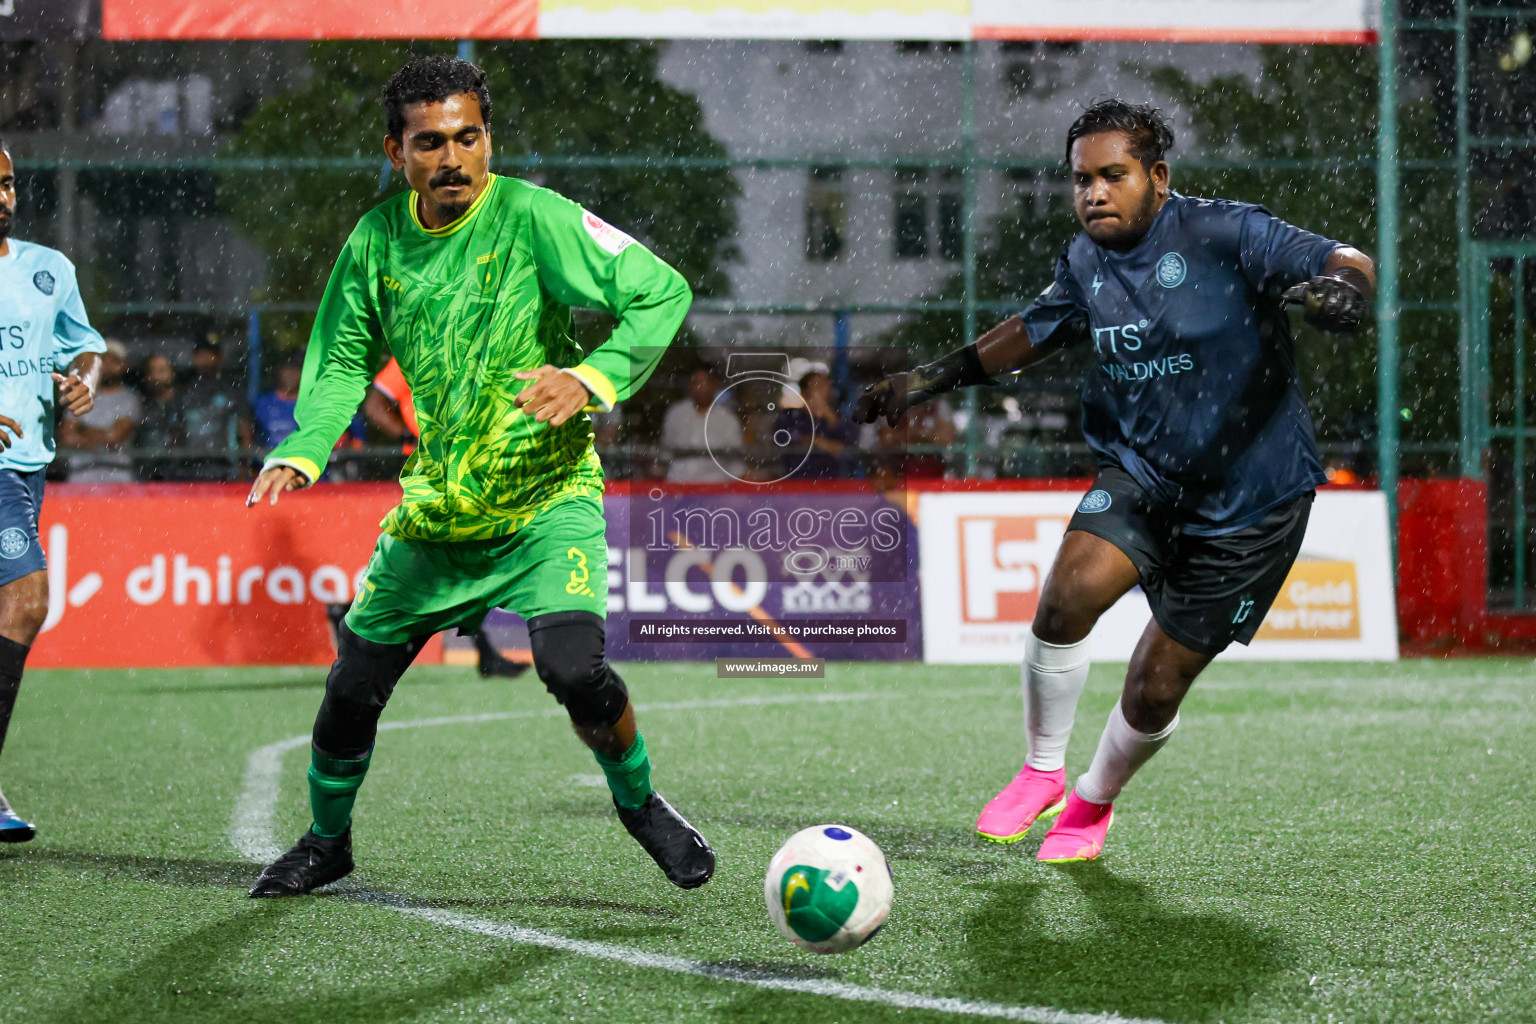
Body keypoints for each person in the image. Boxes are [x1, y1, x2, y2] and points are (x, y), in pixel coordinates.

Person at [855, 99, 1374, 863]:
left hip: (1251, 507)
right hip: (1144, 473)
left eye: (1111, 176)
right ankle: (1040, 772)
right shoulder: (1085, 260)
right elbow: (1032, 331)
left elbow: (1348, 259)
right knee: (1066, 596)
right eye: (1080, 180)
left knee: (1154, 687)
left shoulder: (1226, 231)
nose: (1093, 193)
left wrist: (1344, 293)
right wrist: (925, 380)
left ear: (1156, 177)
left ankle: (1092, 801)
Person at [243, 56, 709, 896]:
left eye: (469, 137)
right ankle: (326, 841)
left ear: (488, 138)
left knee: (574, 671)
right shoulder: (375, 241)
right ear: (397, 153)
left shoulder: (535, 217)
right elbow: (344, 360)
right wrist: (304, 447)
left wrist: (593, 377)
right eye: (430, 143)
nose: (453, 158)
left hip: (546, 502)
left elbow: (660, 292)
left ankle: (640, 804)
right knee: (351, 686)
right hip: (437, 517)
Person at [0, 137, 105, 841]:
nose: (3, 197)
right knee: (27, 600)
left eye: (7, 183)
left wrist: (83, 384)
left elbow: (85, 345)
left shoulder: (48, 269)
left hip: (33, 463)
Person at [58, 339, 140, 483]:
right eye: (102, 361)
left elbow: (115, 437)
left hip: (119, 475)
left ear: (124, 365)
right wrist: (104, 436)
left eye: (113, 361)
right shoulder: (80, 395)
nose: (107, 366)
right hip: (80, 475)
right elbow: (66, 437)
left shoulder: (129, 400)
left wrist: (82, 430)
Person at [175, 337, 253, 481]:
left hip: (225, 466)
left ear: (219, 357)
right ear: (194, 358)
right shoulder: (185, 391)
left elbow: (245, 431)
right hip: (190, 467)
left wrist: (243, 469)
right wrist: (175, 465)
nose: (204, 359)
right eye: (200, 355)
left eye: (209, 355)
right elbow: (177, 432)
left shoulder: (233, 389)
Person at [660, 365, 743, 482]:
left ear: (715, 385)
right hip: (679, 482)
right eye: (696, 383)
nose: (701, 388)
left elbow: (735, 460)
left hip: (716, 484)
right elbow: (666, 450)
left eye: (706, 383)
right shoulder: (675, 414)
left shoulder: (728, 419)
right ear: (689, 385)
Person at [773, 370, 856, 478]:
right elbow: (781, 440)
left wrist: (829, 416)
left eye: (826, 385)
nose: (824, 389)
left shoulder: (839, 417)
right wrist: (816, 441)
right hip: (798, 480)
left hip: (832, 482)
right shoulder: (789, 416)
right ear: (805, 391)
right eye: (818, 385)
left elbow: (850, 444)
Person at [133, 353, 184, 481]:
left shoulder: (186, 403)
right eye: (152, 371)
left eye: (162, 370)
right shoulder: (141, 405)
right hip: (147, 474)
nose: (157, 376)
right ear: (147, 377)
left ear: (172, 372)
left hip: (183, 474)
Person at [253, 356, 304, 449]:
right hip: (266, 460)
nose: (291, 375)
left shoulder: (310, 404)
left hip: (300, 460)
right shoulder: (263, 403)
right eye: (287, 370)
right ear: (279, 372)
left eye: (296, 371)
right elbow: (248, 436)